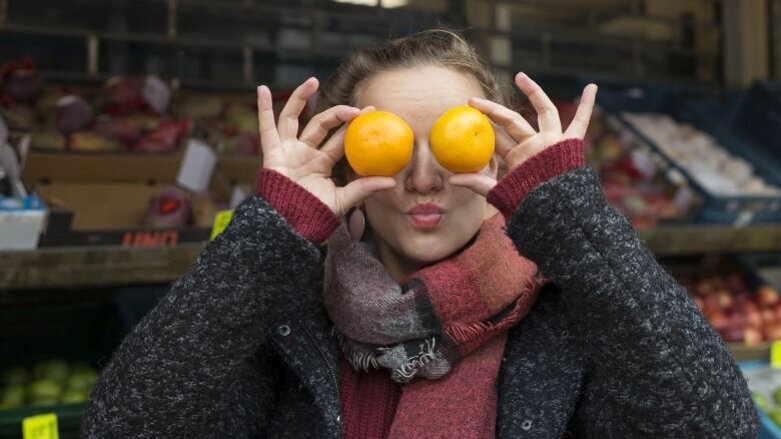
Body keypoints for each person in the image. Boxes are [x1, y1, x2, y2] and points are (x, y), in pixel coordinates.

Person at [82, 29, 758, 438]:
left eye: (455, 147)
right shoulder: (286, 313)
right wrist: (268, 234)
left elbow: (717, 425)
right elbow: (122, 425)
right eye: (389, 147)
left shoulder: (570, 317)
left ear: (498, 159)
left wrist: (574, 221)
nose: (424, 178)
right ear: (347, 161)